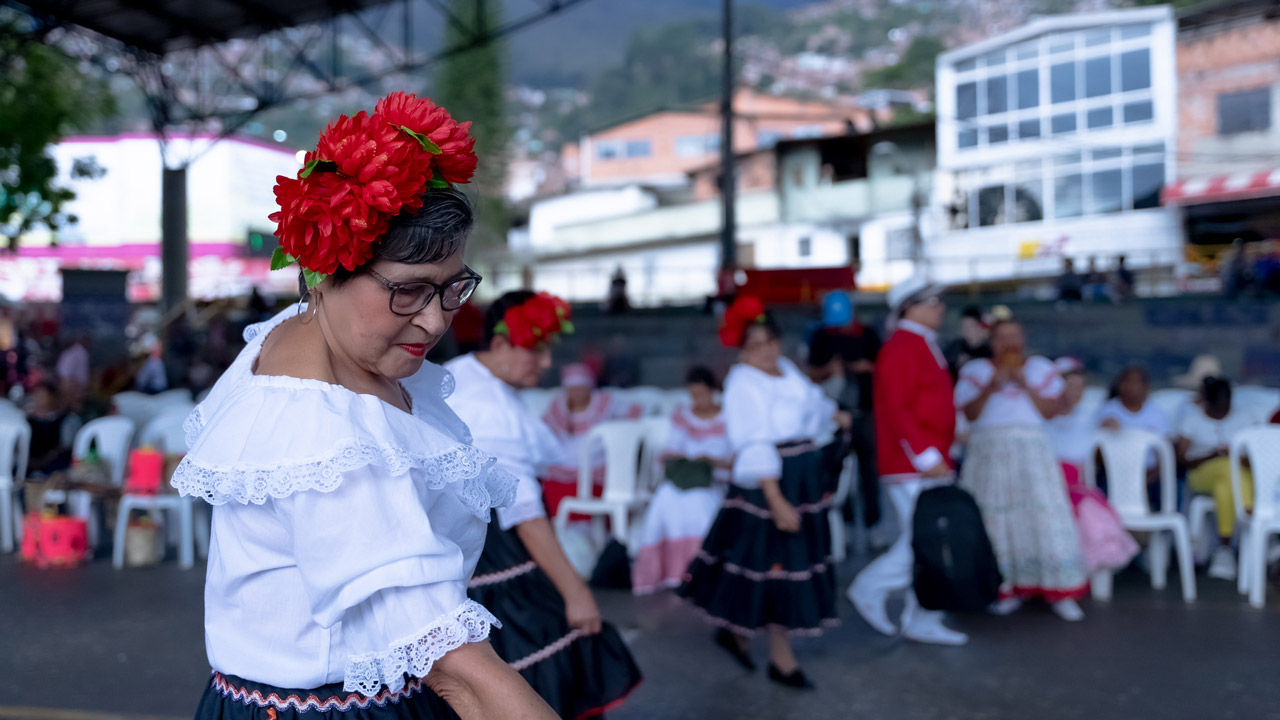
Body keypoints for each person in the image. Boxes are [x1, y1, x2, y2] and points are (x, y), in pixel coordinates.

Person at [170, 92, 557, 719]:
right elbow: (460, 675)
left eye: (452, 288)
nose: (433, 321)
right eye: (406, 292)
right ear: (325, 269)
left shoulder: (300, 334)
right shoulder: (324, 436)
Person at [414, 290, 642, 718]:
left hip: (468, 547)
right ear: (500, 345)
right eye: (536, 350)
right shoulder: (488, 406)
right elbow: (524, 513)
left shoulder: (467, 376)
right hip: (492, 555)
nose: (546, 363)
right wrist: (577, 592)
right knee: (540, 657)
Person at [679, 296, 847, 689]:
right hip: (770, 481)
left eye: (770, 341)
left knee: (765, 565)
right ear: (741, 350)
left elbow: (812, 405)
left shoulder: (786, 370)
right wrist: (775, 500)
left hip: (802, 476)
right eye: (755, 345)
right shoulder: (742, 383)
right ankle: (781, 659)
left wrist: (834, 414)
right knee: (775, 566)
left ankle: (736, 633)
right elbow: (753, 442)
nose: (766, 351)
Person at [848, 276, 969, 646]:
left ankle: (921, 615)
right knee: (925, 541)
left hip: (925, 458)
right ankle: (870, 587)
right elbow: (897, 408)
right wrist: (926, 455)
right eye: (932, 301)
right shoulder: (902, 346)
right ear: (908, 307)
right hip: (912, 462)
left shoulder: (919, 343)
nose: (940, 307)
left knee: (929, 540)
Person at [956, 319, 1088, 621]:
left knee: (1044, 517)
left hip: (1032, 452)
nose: (1009, 344)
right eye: (1002, 338)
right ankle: (1005, 587)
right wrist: (993, 384)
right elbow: (970, 414)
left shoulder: (1040, 368)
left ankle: (1060, 590)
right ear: (992, 342)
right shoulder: (976, 371)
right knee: (995, 522)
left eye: (1014, 337)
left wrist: (1024, 382)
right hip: (990, 453)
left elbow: (1051, 411)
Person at [632, 365, 733, 594]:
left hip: (714, 483)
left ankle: (700, 571)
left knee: (699, 503)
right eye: (693, 395)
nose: (698, 400)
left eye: (702, 394)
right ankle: (672, 573)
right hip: (683, 481)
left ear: (713, 391)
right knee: (666, 499)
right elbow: (672, 450)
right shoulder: (681, 417)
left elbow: (735, 460)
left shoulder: (728, 418)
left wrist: (711, 461)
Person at [1048, 358, 1139, 575]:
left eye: (1080, 387)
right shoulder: (1040, 420)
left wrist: (1108, 423)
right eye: (1070, 386)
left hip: (1075, 491)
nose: (1075, 392)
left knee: (1091, 513)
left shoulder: (1089, 418)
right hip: (1047, 491)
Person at [807, 291, 882, 536]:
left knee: (869, 473)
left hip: (865, 413)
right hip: (835, 418)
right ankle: (846, 527)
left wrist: (865, 367)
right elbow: (809, 374)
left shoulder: (867, 335)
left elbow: (885, 369)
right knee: (839, 473)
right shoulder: (820, 337)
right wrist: (829, 370)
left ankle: (874, 526)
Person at [1177, 376, 1260, 580]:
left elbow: (1258, 458)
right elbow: (1182, 461)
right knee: (1227, 469)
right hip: (1201, 475)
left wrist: (1235, 457)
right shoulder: (1192, 418)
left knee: (1226, 483)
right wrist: (1213, 455)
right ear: (1207, 402)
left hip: (1235, 477)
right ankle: (1249, 515)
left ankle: (1224, 549)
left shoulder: (1246, 418)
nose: (1223, 408)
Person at [540, 363, 642, 518]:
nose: (576, 394)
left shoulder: (605, 402)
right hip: (563, 470)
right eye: (572, 389)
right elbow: (545, 433)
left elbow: (634, 416)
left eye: (581, 388)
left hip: (599, 471)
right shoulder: (557, 405)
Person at [24, 379, 81, 478]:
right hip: (30, 462)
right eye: (37, 395)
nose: (39, 399)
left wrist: (47, 458)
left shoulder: (67, 419)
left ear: (53, 397)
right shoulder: (27, 419)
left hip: (55, 462)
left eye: (43, 396)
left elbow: (66, 446)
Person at [943, 305, 992, 381]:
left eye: (970, 326)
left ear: (979, 326)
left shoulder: (988, 350)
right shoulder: (955, 347)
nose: (966, 330)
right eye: (963, 326)